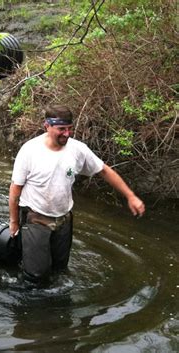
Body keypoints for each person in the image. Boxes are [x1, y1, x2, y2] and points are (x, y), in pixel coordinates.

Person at [9, 105, 145, 284]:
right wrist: (14, 222)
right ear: (47, 126)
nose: (67, 133)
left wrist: (130, 196)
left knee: (60, 272)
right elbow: (15, 189)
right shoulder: (30, 151)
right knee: (35, 276)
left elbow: (104, 170)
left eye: (69, 128)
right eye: (61, 129)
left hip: (64, 220)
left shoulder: (77, 149)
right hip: (36, 218)